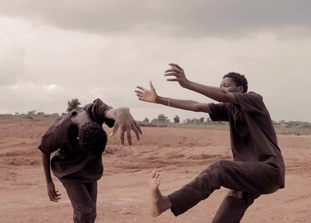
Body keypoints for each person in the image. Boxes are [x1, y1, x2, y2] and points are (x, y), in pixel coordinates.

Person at [135, 64, 285, 223]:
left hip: (270, 170)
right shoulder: (229, 109)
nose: (221, 88)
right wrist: (159, 100)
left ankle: (167, 202)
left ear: (240, 89)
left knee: (220, 168)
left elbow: (223, 96)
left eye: (226, 86)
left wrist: (188, 84)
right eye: (220, 86)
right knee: (233, 203)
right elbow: (196, 106)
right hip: (251, 172)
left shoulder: (254, 100)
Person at [38, 98, 142, 223]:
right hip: (69, 171)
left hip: (90, 169)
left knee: (91, 213)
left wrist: (121, 111)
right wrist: (49, 182)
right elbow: (44, 150)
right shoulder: (60, 129)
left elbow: (111, 112)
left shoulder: (95, 110)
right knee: (85, 212)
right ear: (78, 139)